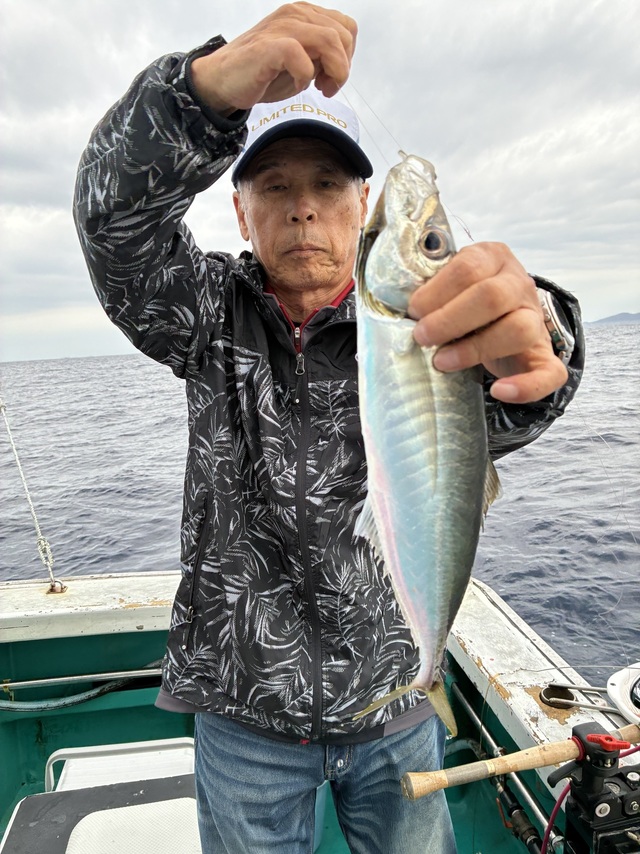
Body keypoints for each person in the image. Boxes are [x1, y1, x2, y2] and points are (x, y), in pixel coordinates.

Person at [74, 4, 584, 852]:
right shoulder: (206, 315)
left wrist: (545, 331)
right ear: (241, 212)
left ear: (364, 206)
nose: (303, 210)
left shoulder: (431, 334)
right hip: (244, 712)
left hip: (397, 699)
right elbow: (112, 222)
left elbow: (526, 390)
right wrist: (197, 94)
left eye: (327, 187)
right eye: (275, 188)